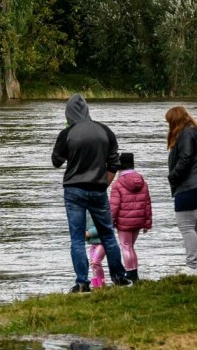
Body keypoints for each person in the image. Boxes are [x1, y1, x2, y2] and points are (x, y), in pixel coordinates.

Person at [52, 93, 132, 293]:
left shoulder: (67, 133)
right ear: (87, 111)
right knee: (108, 234)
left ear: (68, 113)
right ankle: (119, 277)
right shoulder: (105, 131)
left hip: (74, 190)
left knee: (77, 238)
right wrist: (104, 184)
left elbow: (56, 162)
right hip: (98, 189)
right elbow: (114, 163)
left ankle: (82, 282)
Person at [165, 106, 197, 274]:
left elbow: (185, 159)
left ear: (175, 121)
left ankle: (191, 266)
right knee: (195, 227)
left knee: (186, 227)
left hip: (188, 187)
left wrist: (173, 176)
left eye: (169, 122)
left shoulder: (185, 134)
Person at [109, 152, 152, 282]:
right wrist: (147, 222)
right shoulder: (142, 181)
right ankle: (134, 273)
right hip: (139, 220)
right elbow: (147, 203)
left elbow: (114, 206)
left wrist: (110, 221)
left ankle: (130, 272)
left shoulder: (118, 184)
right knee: (131, 247)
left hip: (124, 222)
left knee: (126, 246)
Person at [86, 212, 107, 288]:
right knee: (93, 264)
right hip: (93, 244)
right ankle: (96, 286)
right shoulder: (85, 212)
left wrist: (89, 233)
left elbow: (103, 226)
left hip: (102, 243)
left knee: (95, 262)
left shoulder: (100, 210)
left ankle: (102, 285)